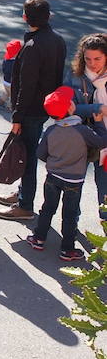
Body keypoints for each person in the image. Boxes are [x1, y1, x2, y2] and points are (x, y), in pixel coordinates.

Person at [0, 0, 67, 221]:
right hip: (44, 108)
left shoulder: (32, 46)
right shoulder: (58, 40)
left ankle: (25, 205)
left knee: (24, 156)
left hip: (29, 110)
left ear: (25, 17)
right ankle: (22, 193)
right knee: (26, 153)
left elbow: (26, 86)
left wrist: (17, 115)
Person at [26, 87, 107, 261]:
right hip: (74, 180)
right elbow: (101, 141)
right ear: (70, 109)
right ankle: (68, 249)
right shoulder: (82, 131)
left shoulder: (51, 131)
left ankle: (38, 238)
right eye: (71, 102)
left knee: (47, 208)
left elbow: (40, 154)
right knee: (69, 215)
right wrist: (99, 123)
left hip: (52, 177)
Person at [64, 33, 107, 219]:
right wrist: (97, 108)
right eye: (88, 59)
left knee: (104, 186)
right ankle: (71, 226)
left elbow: (76, 107)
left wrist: (82, 108)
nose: (92, 63)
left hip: (104, 140)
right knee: (73, 185)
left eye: (98, 59)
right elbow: (68, 108)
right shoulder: (75, 76)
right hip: (84, 136)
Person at [0, 39, 22, 109]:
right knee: (13, 95)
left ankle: (1, 100)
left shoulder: (6, 59)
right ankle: (10, 107)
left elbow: (3, 69)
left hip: (5, 81)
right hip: (12, 83)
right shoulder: (15, 63)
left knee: (7, 92)